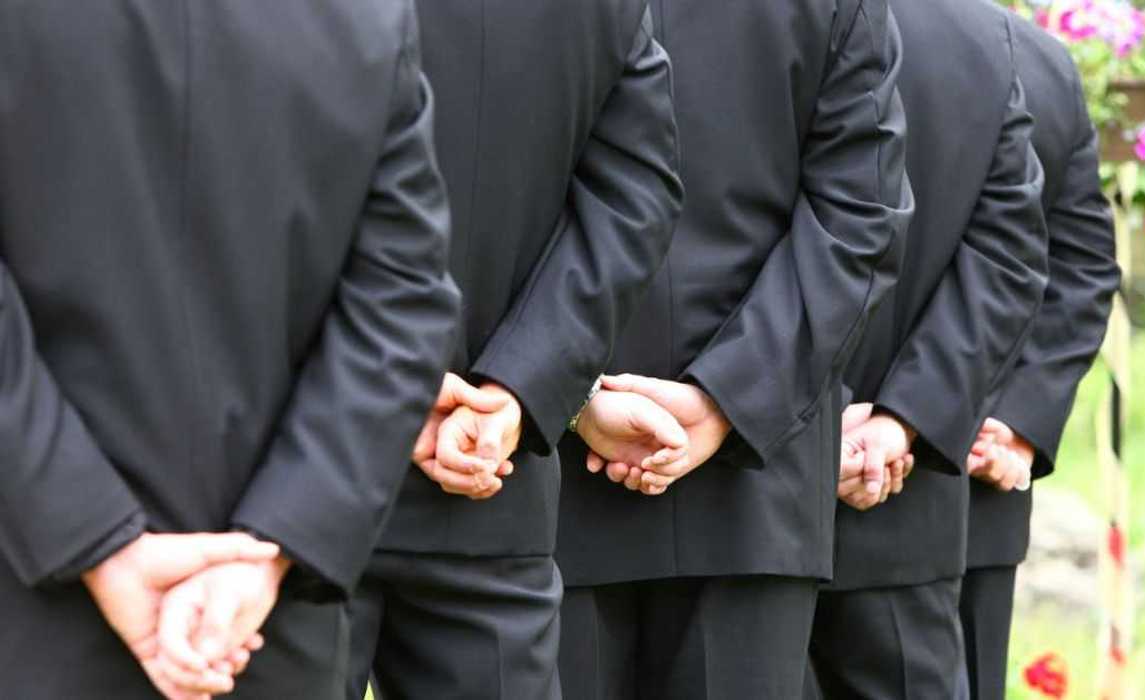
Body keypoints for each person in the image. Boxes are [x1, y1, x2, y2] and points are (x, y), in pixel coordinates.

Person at [0, 1, 461, 698]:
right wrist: (273, 545)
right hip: (257, 626)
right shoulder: (365, 18)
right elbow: (401, 302)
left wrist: (93, 536)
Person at [555, 1, 913, 697]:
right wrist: (727, 397)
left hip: (550, 461)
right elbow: (862, 219)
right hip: (755, 485)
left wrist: (572, 390)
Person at [345, 3, 684, 698]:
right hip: (490, 475)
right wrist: (520, 389)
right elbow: (633, 200)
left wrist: (377, 383)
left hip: (290, 471)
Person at [807, 1, 1051, 697]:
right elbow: (1007, 257)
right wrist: (899, 418)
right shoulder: (984, 35)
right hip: (900, 496)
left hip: (707, 486)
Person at [959, 17, 1121, 700]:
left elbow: (1078, 261)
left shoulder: (1038, 61)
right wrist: (1013, 421)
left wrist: (1018, 424)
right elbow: (1081, 267)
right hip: (971, 458)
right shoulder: (1031, 51)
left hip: (966, 478)